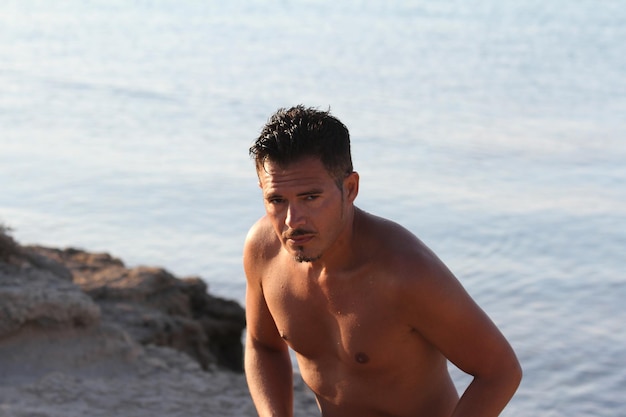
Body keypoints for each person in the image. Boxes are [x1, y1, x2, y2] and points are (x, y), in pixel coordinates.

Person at [243, 105, 522, 417]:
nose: (292, 220)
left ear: (350, 189)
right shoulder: (263, 250)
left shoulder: (404, 272)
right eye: (277, 200)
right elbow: (262, 345)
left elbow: (500, 371)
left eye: (310, 197)